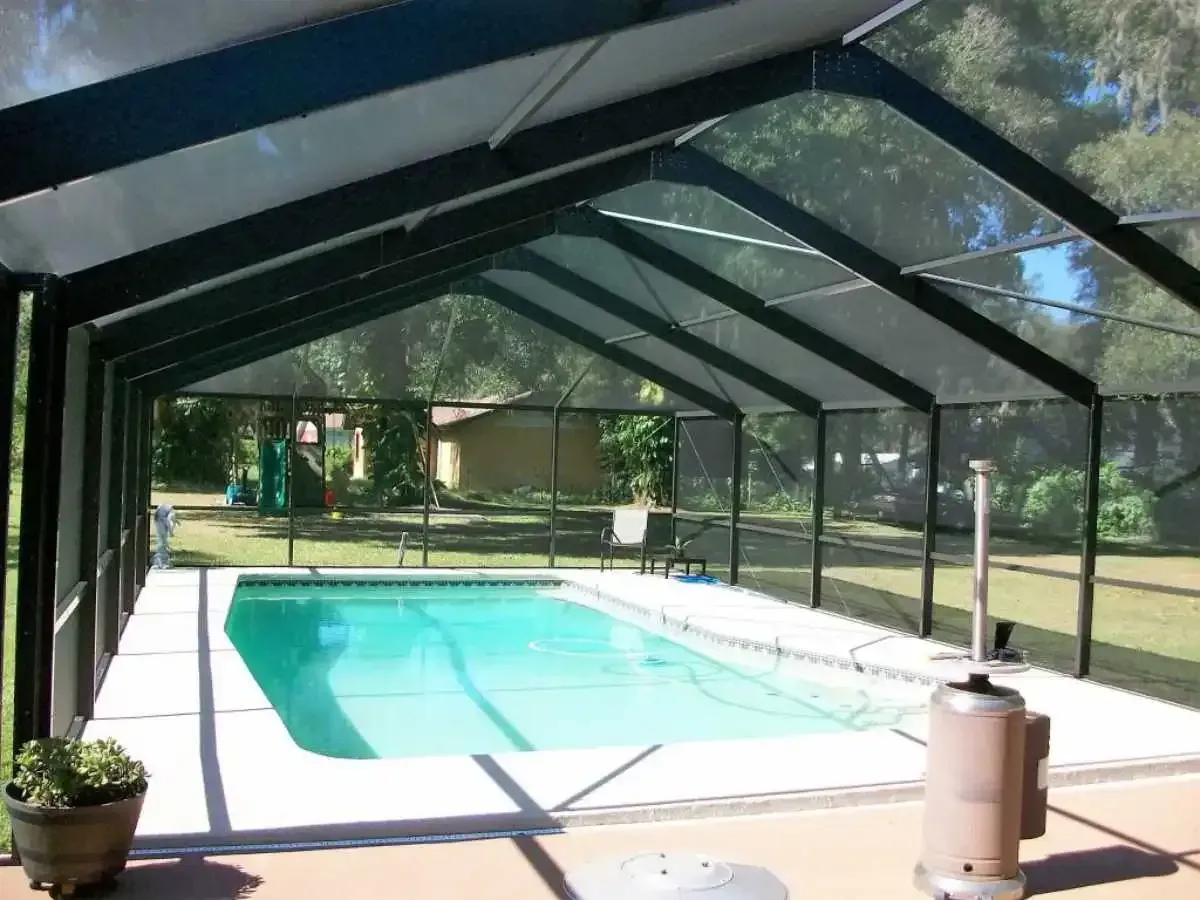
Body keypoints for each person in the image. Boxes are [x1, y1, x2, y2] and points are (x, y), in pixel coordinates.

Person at [154, 503, 177, 568]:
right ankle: (161, 562)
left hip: (157, 520)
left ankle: (160, 560)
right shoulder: (172, 513)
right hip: (160, 521)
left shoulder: (167, 508)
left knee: (161, 540)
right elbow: (169, 520)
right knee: (162, 541)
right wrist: (171, 532)